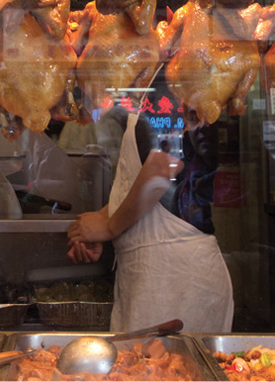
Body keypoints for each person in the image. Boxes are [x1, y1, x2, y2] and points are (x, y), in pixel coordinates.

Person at [66, 107, 233, 333]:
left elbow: (163, 166)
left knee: (163, 365)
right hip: (155, 271)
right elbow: (142, 178)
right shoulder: (146, 98)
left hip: (175, 277)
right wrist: (104, 217)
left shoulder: (170, 84)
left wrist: (110, 227)